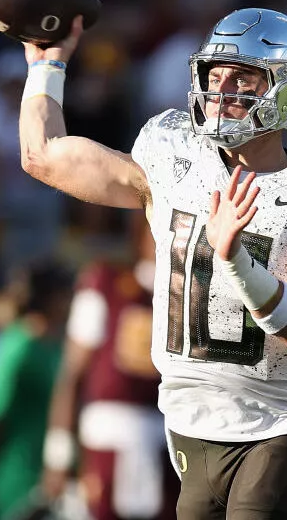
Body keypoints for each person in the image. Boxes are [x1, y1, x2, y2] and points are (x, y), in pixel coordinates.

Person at [17, 7, 287, 518]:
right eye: (215, 75)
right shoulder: (171, 158)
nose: (224, 89)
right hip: (190, 429)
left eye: (244, 77)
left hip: (282, 427)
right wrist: (47, 66)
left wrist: (236, 259)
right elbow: (42, 155)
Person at [42, 212, 177, 520]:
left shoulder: (190, 294)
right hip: (106, 438)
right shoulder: (106, 282)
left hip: (170, 439)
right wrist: (59, 454)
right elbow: (73, 373)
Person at [0, 263, 74, 520]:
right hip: (14, 484)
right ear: (50, 298)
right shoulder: (16, 346)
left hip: (56, 482)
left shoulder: (63, 347)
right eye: (66, 293)